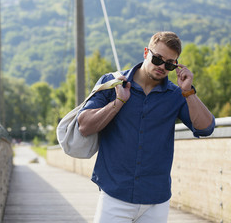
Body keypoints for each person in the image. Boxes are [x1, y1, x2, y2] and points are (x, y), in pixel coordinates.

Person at [77, 31, 215, 223]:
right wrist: (118, 102)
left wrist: (189, 92)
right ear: (145, 52)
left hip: (156, 201)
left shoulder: (177, 95)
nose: (161, 66)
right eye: (157, 59)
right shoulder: (113, 82)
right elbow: (84, 126)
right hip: (114, 195)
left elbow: (206, 128)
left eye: (169, 64)